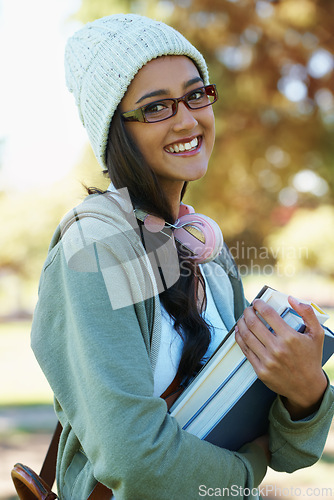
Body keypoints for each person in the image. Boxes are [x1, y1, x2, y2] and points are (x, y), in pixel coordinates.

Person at [31, 13, 334, 500]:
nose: (188, 119)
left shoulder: (205, 251)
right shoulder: (94, 250)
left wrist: (305, 392)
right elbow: (135, 458)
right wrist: (245, 476)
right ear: (116, 129)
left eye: (196, 95)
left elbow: (287, 451)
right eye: (156, 108)